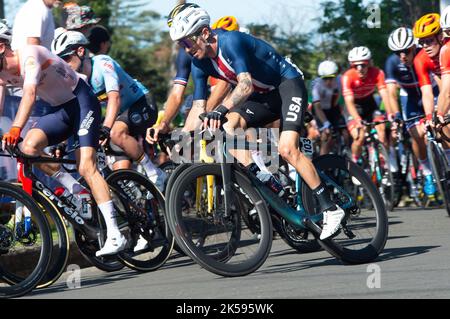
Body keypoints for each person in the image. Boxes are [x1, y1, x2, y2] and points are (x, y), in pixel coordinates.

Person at [168, 5, 345, 240]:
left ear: (204, 33)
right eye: (181, 45)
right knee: (228, 127)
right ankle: (262, 175)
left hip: (287, 84)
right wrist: (184, 137)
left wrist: (220, 109)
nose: (186, 49)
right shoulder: (199, 62)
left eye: (187, 42)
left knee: (287, 148)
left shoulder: (231, 42)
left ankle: (330, 207)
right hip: (264, 97)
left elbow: (245, 85)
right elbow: (200, 108)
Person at [0, 36, 126, 257]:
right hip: (60, 111)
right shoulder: (2, 74)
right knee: (29, 149)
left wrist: (15, 128)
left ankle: (116, 233)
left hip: (82, 102)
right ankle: (76, 189)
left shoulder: (30, 55)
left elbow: (29, 95)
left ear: (1, 48)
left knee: (86, 166)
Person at [51, 28, 165, 191]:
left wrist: (105, 128)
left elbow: (114, 98)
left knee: (115, 133)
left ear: (81, 51)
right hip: (120, 115)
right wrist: (61, 143)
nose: (64, 65)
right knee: (121, 173)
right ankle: (137, 203)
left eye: (66, 58)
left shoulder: (103, 63)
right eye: (60, 62)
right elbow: (74, 112)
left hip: (142, 103)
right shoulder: (75, 80)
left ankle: (154, 173)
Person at [385, 27, 437, 197]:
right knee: (417, 135)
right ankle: (427, 171)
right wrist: (396, 115)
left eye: (406, 51)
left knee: (442, 126)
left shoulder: (425, 54)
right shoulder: (392, 63)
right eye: (397, 52)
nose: (402, 55)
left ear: (414, 46)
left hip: (432, 91)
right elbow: (391, 92)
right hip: (410, 97)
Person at [341, 46, 392, 165]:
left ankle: (383, 164)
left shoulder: (377, 73)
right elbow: (349, 102)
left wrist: (390, 113)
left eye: (363, 65)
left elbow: (385, 94)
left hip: (370, 104)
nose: (360, 69)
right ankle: (355, 162)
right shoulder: (348, 77)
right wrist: (357, 119)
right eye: (355, 66)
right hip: (354, 107)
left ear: (369, 63)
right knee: (359, 136)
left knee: (382, 132)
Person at [311, 60, 348, 155]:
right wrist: (326, 123)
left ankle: (344, 154)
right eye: (325, 78)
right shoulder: (316, 85)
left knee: (345, 133)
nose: (328, 81)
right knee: (326, 135)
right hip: (319, 110)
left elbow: (341, 99)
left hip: (332, 108)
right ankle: (322, 163)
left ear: (336, 75)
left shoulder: (341, 80)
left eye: (331, 78)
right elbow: (317, 107)